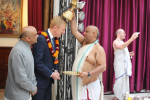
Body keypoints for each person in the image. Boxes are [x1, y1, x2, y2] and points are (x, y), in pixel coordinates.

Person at [70, 11, 106, 100]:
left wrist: (88, 74)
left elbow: (103, 67)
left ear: (94, 33)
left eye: (86, 31)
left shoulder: (98, 49)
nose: (84, 33)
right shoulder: (84, 43)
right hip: (79, 85)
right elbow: (74, 31)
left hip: (90, 86)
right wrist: (73, 18)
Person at [32, 16, 68, 100]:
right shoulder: (41, 39)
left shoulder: (54, 39)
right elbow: (37, 62)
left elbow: (54, 57)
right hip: (40, 82)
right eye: (62, 29)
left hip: (48, 80)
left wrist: (55, 70)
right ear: (55, 27)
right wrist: (51, 74)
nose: (64, 32)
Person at [4, 26, 38, 100]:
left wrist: (34, 85)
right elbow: (20, 78)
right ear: (28, 38)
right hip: (17, 96)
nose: (37, 36)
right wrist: (33, 88)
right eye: (35, 35)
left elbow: (31, 71)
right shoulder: (18, 51)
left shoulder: (27, 47)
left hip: (25, 94)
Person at [113, 29, 139, 100]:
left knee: (124, 80)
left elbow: (121, 51)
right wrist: (131, 39)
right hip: (119, 65)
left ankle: (124, 96)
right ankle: (117, 97)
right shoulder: (115, 42)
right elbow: (121, 47)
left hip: (124, 64)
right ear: (119, 33)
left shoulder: (122, 42)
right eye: (124, 33)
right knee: (119, 80)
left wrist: (128, 54)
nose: (125, 34)